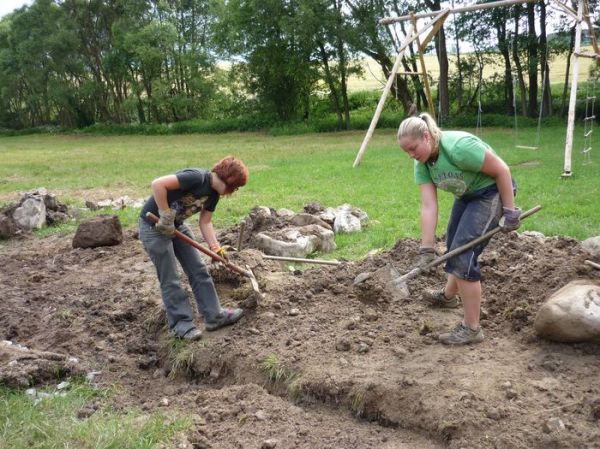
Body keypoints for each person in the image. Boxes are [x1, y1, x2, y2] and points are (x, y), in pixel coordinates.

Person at [397, 113, 520, 345]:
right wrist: (426, 248)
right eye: (407, 152)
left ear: (426, 136)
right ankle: (448, 297)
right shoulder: (422, 164)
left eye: (413, 148)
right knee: (454, 247)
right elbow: (428, 206)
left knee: (463, 254)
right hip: (467, 195)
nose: (412, 155)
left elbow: (502, 170)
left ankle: (472, 329)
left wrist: (510, 211)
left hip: (492, 191)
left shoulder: (458, 148)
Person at [138, 156, 249, 341]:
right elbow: (158, 184)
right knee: (171, 278)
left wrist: (216, 248)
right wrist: (165, 215)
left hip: (177, 224)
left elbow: (205, 222)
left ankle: (214, 316)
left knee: (198, 269)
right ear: (228, 178)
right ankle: (181, 325)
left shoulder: (213, 194)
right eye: (234, 186)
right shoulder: (196, 177)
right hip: (154, 226)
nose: (233, 191)